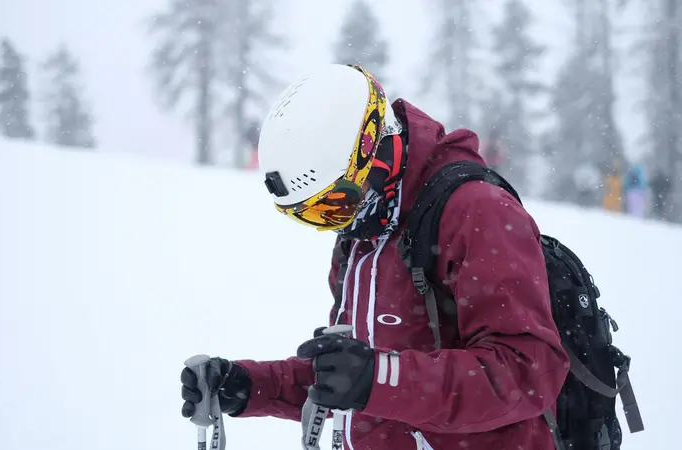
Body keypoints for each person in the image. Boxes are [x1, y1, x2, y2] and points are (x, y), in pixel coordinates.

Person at [180, 64, 569, 450]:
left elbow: (529, 371)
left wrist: (379, 378)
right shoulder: (362, 236)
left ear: (374, 149)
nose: (338, 224)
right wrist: (251, 386)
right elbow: (347, 376)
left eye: (337, 202)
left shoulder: (477, 212)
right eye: (315, 215)